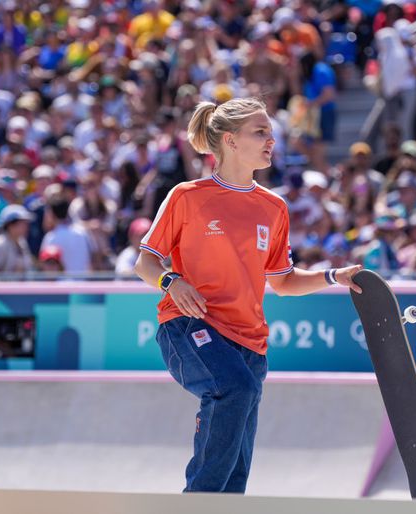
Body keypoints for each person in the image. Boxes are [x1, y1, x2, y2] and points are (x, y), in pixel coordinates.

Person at [133, 98, 362, 493]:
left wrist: (332, 276)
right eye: (260, 132)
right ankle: (196, 501)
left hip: (250, 344)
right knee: (234, 390)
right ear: (230, 141)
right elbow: (145, 263)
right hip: (188, 327)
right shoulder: (187, 196)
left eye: (271, 132)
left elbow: (284, 281)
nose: (271, 140)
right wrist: (171, 282)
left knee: (237, 471)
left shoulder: (274, 207)